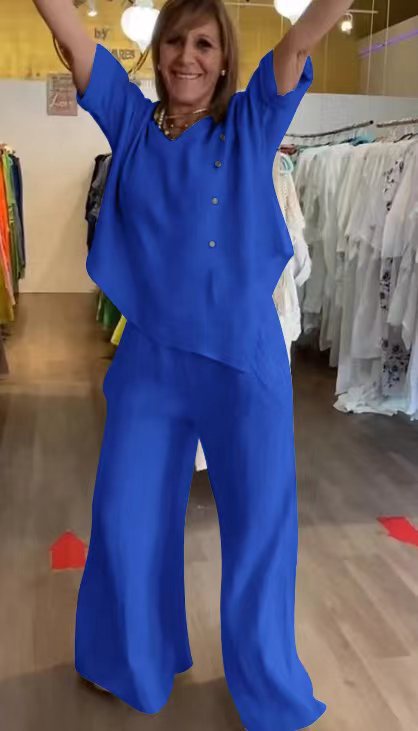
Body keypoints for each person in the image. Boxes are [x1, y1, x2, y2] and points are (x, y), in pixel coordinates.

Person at [33, 1, 353, 729]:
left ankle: (267, 684)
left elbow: (304, 35)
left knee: (260, 528)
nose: (187, 57)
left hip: (242, 364)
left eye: (205, 44)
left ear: (225, 56)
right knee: (125, 516)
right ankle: (130, 661)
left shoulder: (251, 121)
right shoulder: (130, 122)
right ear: (159, 51)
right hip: (150, 362)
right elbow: (71, 36)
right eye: (176, 41)